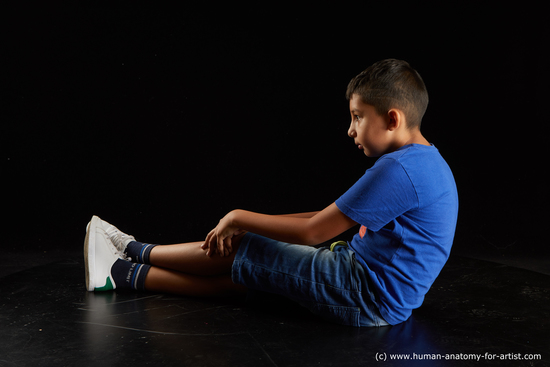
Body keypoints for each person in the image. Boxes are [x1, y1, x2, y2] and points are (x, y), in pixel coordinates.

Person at [84, 59, 459, 327]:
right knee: (250, 281)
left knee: (248, 244)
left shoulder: (400, 170)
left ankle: (130, 252)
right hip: (376, 294)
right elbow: (326, 217)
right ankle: (124, 274)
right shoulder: (424, 162)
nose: (350, 129)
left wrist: (238, 217)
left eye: (358, 117)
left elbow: (314, 231)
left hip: (365, 295)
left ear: (392, 119)